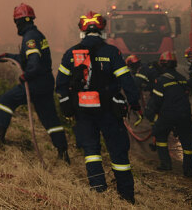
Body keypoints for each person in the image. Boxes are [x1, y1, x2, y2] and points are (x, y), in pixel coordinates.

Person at [56, 11, 140, 204]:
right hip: (109, 111)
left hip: (83, 112)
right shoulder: (112, 52)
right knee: (118, 152)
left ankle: (98, 192)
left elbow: (60, 85)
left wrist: (67, 108)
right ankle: (126, 197)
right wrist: (134, 103)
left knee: (91, 152)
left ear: (82, 30)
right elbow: (126, 81)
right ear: (102, 30)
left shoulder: (71, 54)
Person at [0, 3, 70, 163]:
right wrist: (9, 56)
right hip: (45, 83)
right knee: (50, 119)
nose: (16, 25)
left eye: (16, 21)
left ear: (21, 21)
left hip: (35, 83)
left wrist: (27, 75)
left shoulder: (30, 37)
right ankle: (63, 153)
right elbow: (27, 58)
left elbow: (34, 61)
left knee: (6, 100)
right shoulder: (36, 35)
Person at [145, 51, 192, 176]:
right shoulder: (182, 79)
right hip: (184, 114)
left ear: (162, 64)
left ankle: (166, 164)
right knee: (187, 142)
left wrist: (150, 114)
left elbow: (156, 101)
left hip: (168, 114)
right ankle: (188, 170)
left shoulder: (161, 80)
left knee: (161, 135)